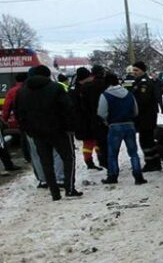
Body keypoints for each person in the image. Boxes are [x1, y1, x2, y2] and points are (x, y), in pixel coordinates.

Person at [13, 65, 81, 200]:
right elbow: (68, 109)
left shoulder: (22, 92)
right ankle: (70, 188)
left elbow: (19, 114)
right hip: (59, 131)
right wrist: (70, 127)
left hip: (37, 133)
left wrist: (29, 130)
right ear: (48, 74)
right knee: (68, 158)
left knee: (46, 162)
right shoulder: (56, 88)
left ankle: (54, 193)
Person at [98, 72, 146, 185]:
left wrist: (107, 121)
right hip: (129, 125)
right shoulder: (129, 94)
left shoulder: (105, 95)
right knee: (133, 152)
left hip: (114, 126)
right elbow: (136, 111)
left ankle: (113, 176)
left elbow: (101, 112)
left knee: (113, 154)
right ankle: (138, 176)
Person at [130, 61, 163, 172]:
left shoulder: (144, 83)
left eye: (136, 70)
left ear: (142, 71)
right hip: (144, 117)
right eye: (133, 70)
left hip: (146, 117)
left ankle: (152, 163)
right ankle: (154, 162)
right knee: (147, 141)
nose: (134, 72)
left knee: (146, 141)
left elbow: (142, 101)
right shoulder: (138, 82)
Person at [71, 67, 104, 170]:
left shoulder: (73, 89)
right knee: (92, 141)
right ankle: (94, 161)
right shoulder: (84, 89)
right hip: (87, 121)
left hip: (81, 121)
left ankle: (91, 161)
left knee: (89, 142)